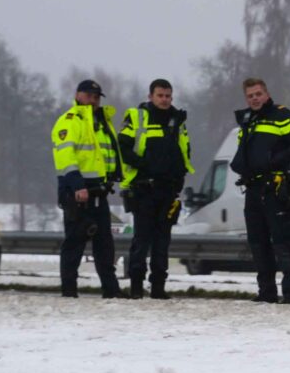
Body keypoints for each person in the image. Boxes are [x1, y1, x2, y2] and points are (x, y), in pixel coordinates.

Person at [114, 79, 192, 299]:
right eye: (160, 95)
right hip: (143, 188)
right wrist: (145, 166)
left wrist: (179, 178)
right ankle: (136, 287)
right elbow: (123, 147)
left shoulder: (177, 120)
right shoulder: (138, 117)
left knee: (162, 242)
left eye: (168, 96)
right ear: (150, 97)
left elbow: (184, 151)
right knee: (142, 240)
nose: (164, 100)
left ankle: (158, 287)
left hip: (168, 190)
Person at [231, 77, 290, 303]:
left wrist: (274, 161)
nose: (254, 98)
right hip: (253, 188)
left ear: (266, 93)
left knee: (282, 242)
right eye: (250, 95)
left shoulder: (282, 115)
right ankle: (266, 293)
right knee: (258, 243)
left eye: (258, 94)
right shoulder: (247, 120)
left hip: (276, 187)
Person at [49, 79, 123, 298]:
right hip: (77, 190)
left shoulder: (101, 122)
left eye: (97, 97)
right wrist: (77, 185)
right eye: (89, 96)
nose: (94, 100)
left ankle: (111, 290)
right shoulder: (70, 121)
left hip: (98, 191)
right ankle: (69, 290)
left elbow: (105, 155)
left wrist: (113, 178)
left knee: (105, 245)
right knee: (74, 243)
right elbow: (65, 155)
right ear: (78, 95)